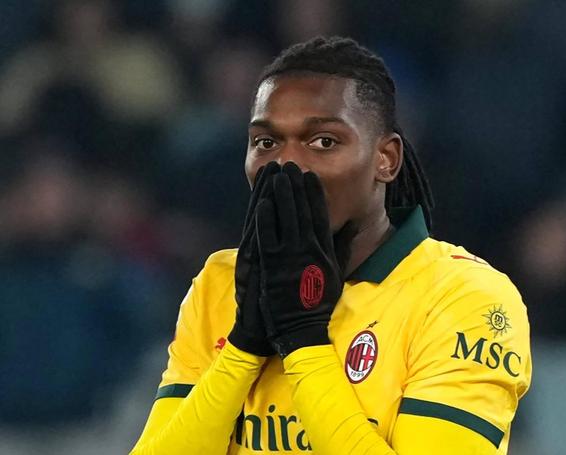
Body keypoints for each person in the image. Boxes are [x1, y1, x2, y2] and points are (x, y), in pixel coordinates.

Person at [131, 36, 532, 455]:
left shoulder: (464, 297)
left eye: (323, 141)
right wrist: (243, 347)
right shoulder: (222, 283)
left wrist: (302, 341)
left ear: (386, 159)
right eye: (266, 142)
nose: (286, 164)